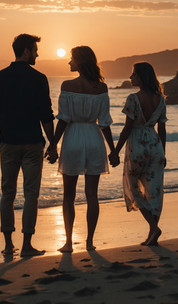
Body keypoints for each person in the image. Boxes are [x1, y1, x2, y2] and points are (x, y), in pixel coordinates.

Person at [0, 33, 56, 257]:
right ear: (26, 51)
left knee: (8, 193)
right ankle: (26, 246)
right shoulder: (39, 78)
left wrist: (0, 141)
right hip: (33, 143)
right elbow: (46, 116)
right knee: (31, 195)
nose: (37, 54)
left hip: (8, 143)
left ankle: (7, 245)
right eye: (35, 50)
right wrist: (53, 144)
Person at [48, 46, 117, 252]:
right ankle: (89, 242)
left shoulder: (67, 85)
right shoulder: (102, 88)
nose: (69, 63)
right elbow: (104, 122)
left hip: (73, 139)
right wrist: (113, 150)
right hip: (94, 139)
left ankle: (69, 243)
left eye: (72, 59)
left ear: (80, 61)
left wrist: (53, 145)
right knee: (92, 195)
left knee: (69, 195)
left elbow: (63, 119)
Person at [110, 62, 167, 246]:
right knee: (154, 191)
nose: (130, 77)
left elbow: (127, 129)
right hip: (156, 145)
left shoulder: (133, 99)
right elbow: (162, 128)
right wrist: (163, 153)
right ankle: (152, 233)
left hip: (137, 146)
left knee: (134, 188)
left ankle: (153, 227)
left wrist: (115, 152)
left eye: (133, 74)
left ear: (141, 77)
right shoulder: (160, 99)